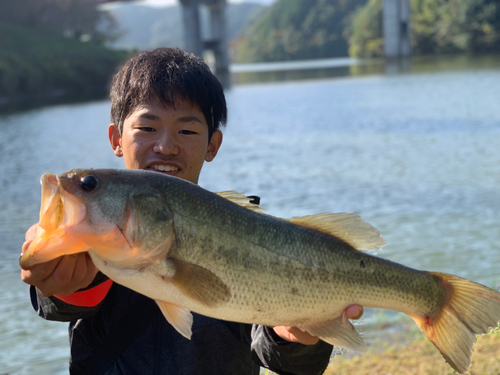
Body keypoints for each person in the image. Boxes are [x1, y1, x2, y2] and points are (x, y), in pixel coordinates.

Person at [20, 48, 363, 375]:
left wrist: (296, 337)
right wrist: (60, 273)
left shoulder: (243, 232)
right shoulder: (94, 237)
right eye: (147, 128)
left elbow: (284, 359)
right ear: (116, 139)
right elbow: (59, 305)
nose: (166, 146)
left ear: (212, 145)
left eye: (186, 130)